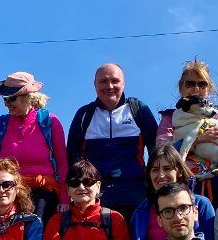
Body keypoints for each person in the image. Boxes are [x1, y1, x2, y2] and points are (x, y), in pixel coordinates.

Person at [66, 63, 158, 224]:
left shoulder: (138, 109)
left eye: (115, 81)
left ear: (124, 83)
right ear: (95, 85)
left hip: (135, 192)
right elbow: (72, 156)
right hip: (95, 195)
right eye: (103, 81)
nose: (109, 86)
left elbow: (156, 150)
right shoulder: (84, 115)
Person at [156, 59, 218, 208]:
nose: (196, 88)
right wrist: (197, 140)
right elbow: (161, 150)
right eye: (190, 83)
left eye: (202, 84)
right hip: (185, 176)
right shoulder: (169, 118)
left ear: (208, 89)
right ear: (181, 87)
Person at [41, 158, 132, 240]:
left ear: (98, 186)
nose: (81, 187)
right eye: (74, 183)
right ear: (67, 189)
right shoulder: (56, 222)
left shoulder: (114, 219)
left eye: (87, 182)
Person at [0, 72, 69, 221]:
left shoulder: (50, 122)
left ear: (28, 97)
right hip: (8, 191)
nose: (7, 104)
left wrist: (64, 199)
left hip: (43, 193)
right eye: (5, 99)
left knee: (35, 227)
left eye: (12, 98)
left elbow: (63, 163)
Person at [130, 144, 215, 240]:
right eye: (155, 170)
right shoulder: (141, 213)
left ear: (179, 171)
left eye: (167, 169)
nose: (161, 175)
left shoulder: (201, 204)